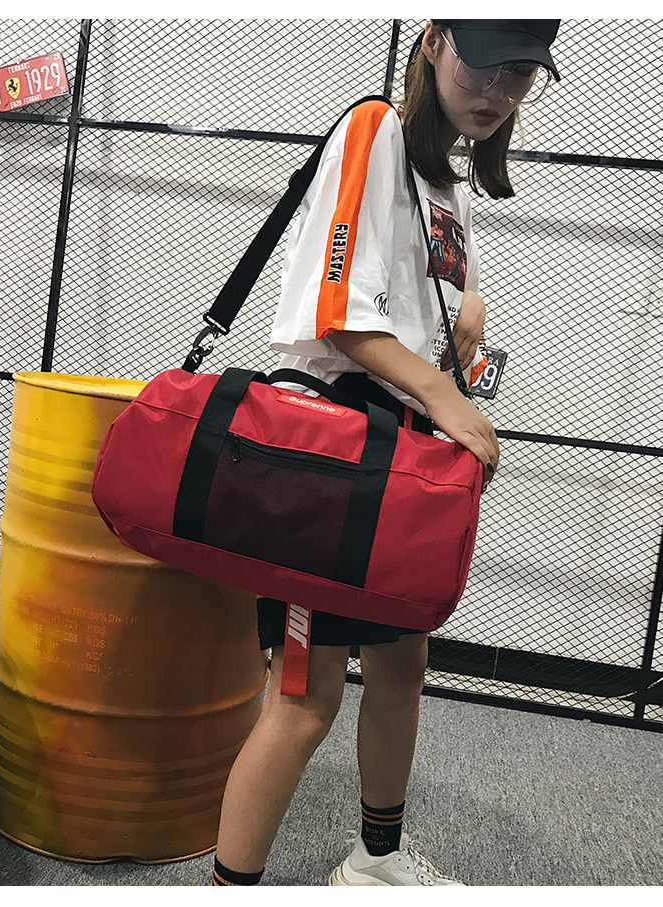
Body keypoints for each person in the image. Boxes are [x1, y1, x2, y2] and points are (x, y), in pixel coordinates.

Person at [211, 19, 561, 887]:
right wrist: (446, 396)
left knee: (404, 665)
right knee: (304, 699)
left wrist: (467, 316)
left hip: (396, 456)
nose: (498, 92)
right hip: (331, 456)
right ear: (435, 43)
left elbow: (411, 323)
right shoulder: (373, 129)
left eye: (519, 74)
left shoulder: (449, 185)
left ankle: (375, 861)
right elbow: (339, 312)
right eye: (484, 65)